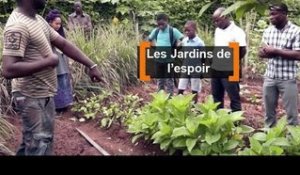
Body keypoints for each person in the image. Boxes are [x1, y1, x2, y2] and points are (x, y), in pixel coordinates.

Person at [1, 0, 102, 155]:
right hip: (30, 96)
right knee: (40, 145)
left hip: (44, 94)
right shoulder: (18, 26)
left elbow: (63, 43)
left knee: (34, 142)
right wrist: (48, 62)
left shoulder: (37, 19)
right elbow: (8, 69)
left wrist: (91, 65)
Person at [259, 3, 300, 127]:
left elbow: (298, 54)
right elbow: (261, 52)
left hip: (287, 78)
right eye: (270, 14)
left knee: (291, 114)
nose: (270, 17)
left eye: (274, 14)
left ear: (284, 14)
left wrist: (275, 51)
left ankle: (293, 143)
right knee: (268, 112)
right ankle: (270, 138)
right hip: (270, 77)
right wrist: (283, 51)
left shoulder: (296, 31)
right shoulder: (268, 31)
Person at [211, 7, 247, 112]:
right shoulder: (218, 30)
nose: (215, 23)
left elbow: (242, 50)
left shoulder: (237, 32)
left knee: (233, 97)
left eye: (217, 20)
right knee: (216, 97)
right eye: (214, 21)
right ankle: (218, 121)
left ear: (225, 17)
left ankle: (236, 124)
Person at [148, 13, 184, 96]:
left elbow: (183, 40)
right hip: (158, 60)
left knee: (169, 80)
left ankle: (170, 97)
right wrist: (154, 48)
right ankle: (160, 97)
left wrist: (176, 49)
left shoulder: (173, 31)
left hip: (169, 60)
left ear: (167, 21)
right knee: (160, 80)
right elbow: (150, 39)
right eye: (158, 24)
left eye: (162, 24)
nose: (160, 26)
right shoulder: (156, 31)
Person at [46, 9, 73, 113]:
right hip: (54, 65)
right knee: (56, 85)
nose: (58, 26)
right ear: (50, 23)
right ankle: (58, 108)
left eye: (59, 24)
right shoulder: (47, 34)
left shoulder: (60, 34)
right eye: (56, 23)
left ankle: (65, 105)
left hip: (62, 63)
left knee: (64, 83)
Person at [178, 21, 205, 103]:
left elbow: (203, 57)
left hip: (196, 69)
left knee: (194, 90)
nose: (187, 32)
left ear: (195, 30)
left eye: (189, 30)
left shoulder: (200, 43)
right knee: (181, 88)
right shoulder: (185, 41)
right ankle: (179, 104)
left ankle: (194, 106)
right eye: (185, 31)